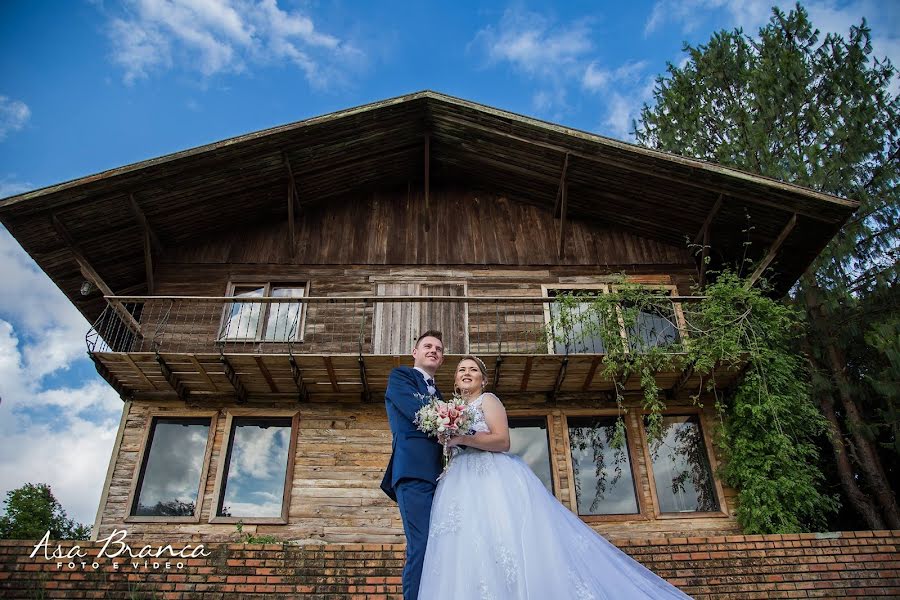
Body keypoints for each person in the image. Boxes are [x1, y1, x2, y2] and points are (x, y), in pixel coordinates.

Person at [418, 355, 694, 600]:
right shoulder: (449, 408)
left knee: (503, 536)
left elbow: (502, 441)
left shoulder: (487, 401)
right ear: (454, 379)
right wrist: (448, 438)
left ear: (483, 379)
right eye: (461, 369)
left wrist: (463, 437)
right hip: (460, 480)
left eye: (473, 370)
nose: (466, 373)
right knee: (468, 543)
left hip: (491, 476)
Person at [380, 330, 446, 600]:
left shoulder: (442, 395)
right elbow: (417, 413)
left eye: (439, 349)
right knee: (421, 544)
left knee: (441, 545)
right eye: (427, 346)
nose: (433, 351)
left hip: (442, 477)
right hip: (413, 472)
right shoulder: (401, 377)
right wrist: (452, 423)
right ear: (415, 352)